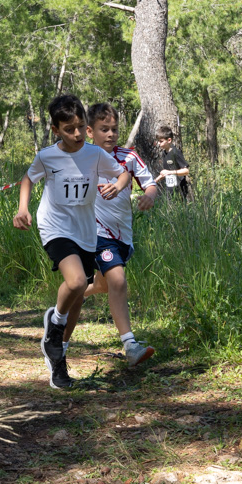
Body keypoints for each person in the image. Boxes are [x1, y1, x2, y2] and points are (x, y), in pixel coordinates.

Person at [14, 94, 133, 389]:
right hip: (55, 227)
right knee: (77, 281)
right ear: (56, 130)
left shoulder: (94, 154)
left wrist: (117, 186)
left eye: (80, 127)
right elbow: (28, 179)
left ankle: (58, 358)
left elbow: (123, 174)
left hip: (86, 231)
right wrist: (22, 209)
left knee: (78, 297)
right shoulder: (47, 156)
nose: (77, 134)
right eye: (69, 129)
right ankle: (55, 321)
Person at [61, 103, 158, 368]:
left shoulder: (128, 156)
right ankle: (130, 345)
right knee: (117, 279)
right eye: (104, 129)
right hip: (94, 233)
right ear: (90, 131)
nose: (111, 134)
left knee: (104, 285)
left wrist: (149, 197)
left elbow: (149, 183)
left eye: (114, 129)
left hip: (122, 236)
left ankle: (71, 300)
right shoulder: (80, 157)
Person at [154, 126, 191, 201]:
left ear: (169, 140)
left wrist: (170, 172)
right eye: (158, 141)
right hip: (169, 190)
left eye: (161, 141)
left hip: (180, 190)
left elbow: (186, 171)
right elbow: (166, 172)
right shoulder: (164, 153)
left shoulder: (176, 152)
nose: (159, 143)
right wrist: (154, 182)